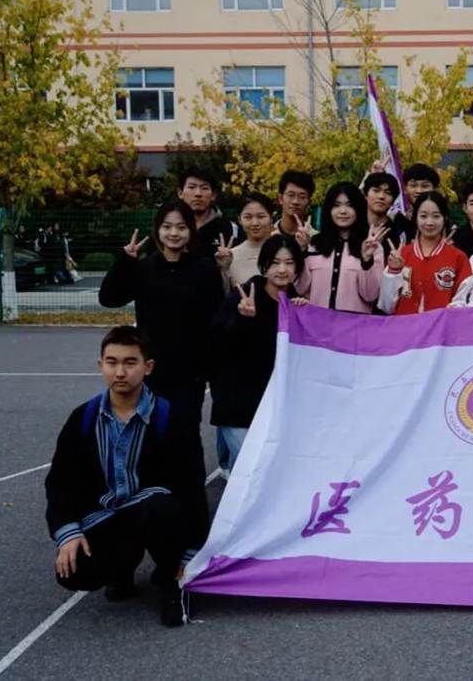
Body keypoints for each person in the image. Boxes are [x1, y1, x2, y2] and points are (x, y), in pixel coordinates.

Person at [45, 326, 209, 627]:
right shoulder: (83, 418)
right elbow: (59, 482)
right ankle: (121, 570)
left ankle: (169, 579)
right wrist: (68, 532)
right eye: (112, 362)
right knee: (74, 572)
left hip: (155, 513)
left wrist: (191, 555)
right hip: (107, 517)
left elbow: (192, 487)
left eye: (130, 362)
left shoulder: (171, 418)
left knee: (160, 508)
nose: (120, 372)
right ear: (101, 365)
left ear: (148, 367)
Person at [99, 201, 224, 423]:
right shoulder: (144, 268)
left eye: (181, 227)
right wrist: (124, 261)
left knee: (186, 430)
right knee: (152, 428)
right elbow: (109, 299)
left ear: (190, 230)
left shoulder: (204, 269)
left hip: (190, 371)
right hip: (150, 369)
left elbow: (215, 318)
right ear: (157, 230)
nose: (174, 233)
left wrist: (206, 365)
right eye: (167, 227)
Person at [210, 234, 307, 474]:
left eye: (289, 263)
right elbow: (217, 342)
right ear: (264, 265)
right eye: (275, 262)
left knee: (263, 473)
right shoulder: (244, 295)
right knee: (249, 469)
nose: (282, 269)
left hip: (274, 406)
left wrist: (305, 317)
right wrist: (242, 318)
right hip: (238, 405)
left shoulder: (297, 304)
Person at [294, 182, 387, 312]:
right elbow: (300, 288)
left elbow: (371, 295)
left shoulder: (372, 247)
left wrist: (366, 261)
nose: (343, 211)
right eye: (336, 205)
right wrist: (303, 251)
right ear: (328, 210)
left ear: (359, 209)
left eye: (349, 205)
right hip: (317, 322)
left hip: (355, 323)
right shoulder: (314, 244)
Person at [378, 191, 472, 314]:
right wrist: (393, 271)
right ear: (415, 218)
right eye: (423, 216)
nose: (429, 222)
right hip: (404, 325)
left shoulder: (458, 258)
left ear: (445, 218)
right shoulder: (402, 255)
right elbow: (386, 306)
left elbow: (461, 303)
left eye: (436, 216)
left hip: (441, 325)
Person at [177, 169, 238, 258]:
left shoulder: (230, 229)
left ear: (213, 195)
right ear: (180, 193)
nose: (198, 194)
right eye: (191, 187)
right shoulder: (169, 229)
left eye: (204, 188)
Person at [220, 193, 276, 288]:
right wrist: (223, 269)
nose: (255, 223)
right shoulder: (230, 256)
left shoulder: (283, 249)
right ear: (239, 219)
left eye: (261, 217)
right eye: (248, 217)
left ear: (271, 218)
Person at [363, 171, 413, 246]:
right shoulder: (353, 226)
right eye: (376, 191)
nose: (381, 196)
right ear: (365, 195)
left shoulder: (400, 232)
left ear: (393, 200)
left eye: (388, 193)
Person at [272, 170, 316, 245]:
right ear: (280, 198)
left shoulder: (316, 239)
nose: (295, 201)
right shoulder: (267, 236)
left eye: (302, 197)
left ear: (309, 202)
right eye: (291, 195)